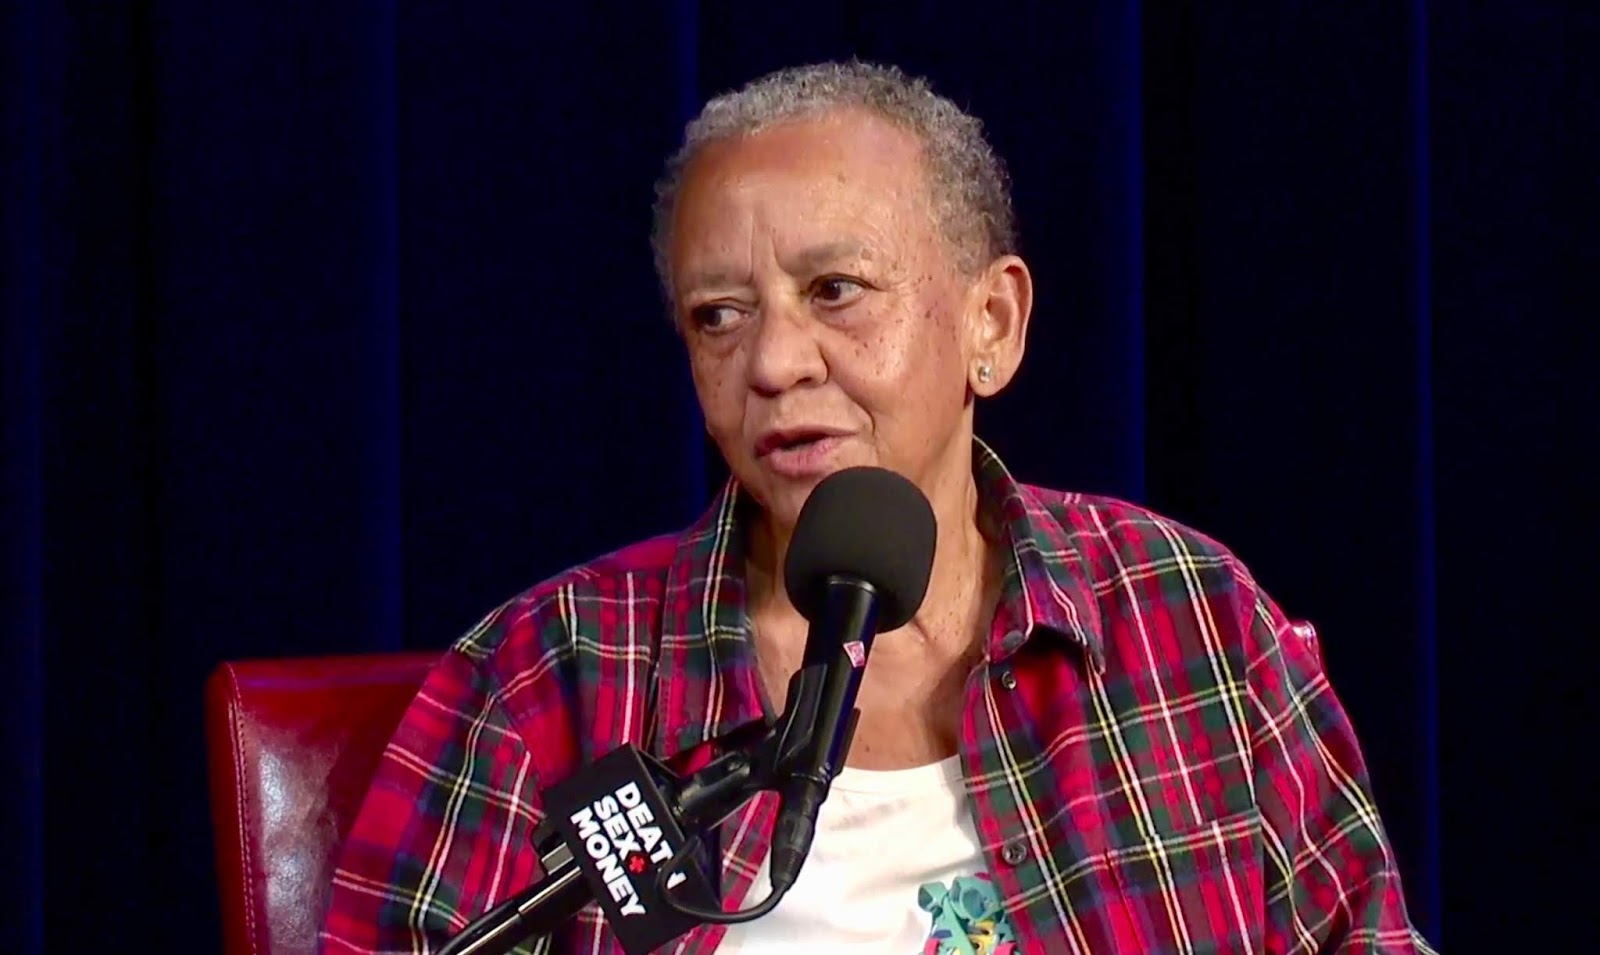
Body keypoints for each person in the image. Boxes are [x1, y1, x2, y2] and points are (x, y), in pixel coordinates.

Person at [321, 60, 1436, 954]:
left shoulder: (1189, 618)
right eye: (719, 316)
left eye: (835, 291)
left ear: (992, 324)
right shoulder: (549, 677)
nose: (774, 363)